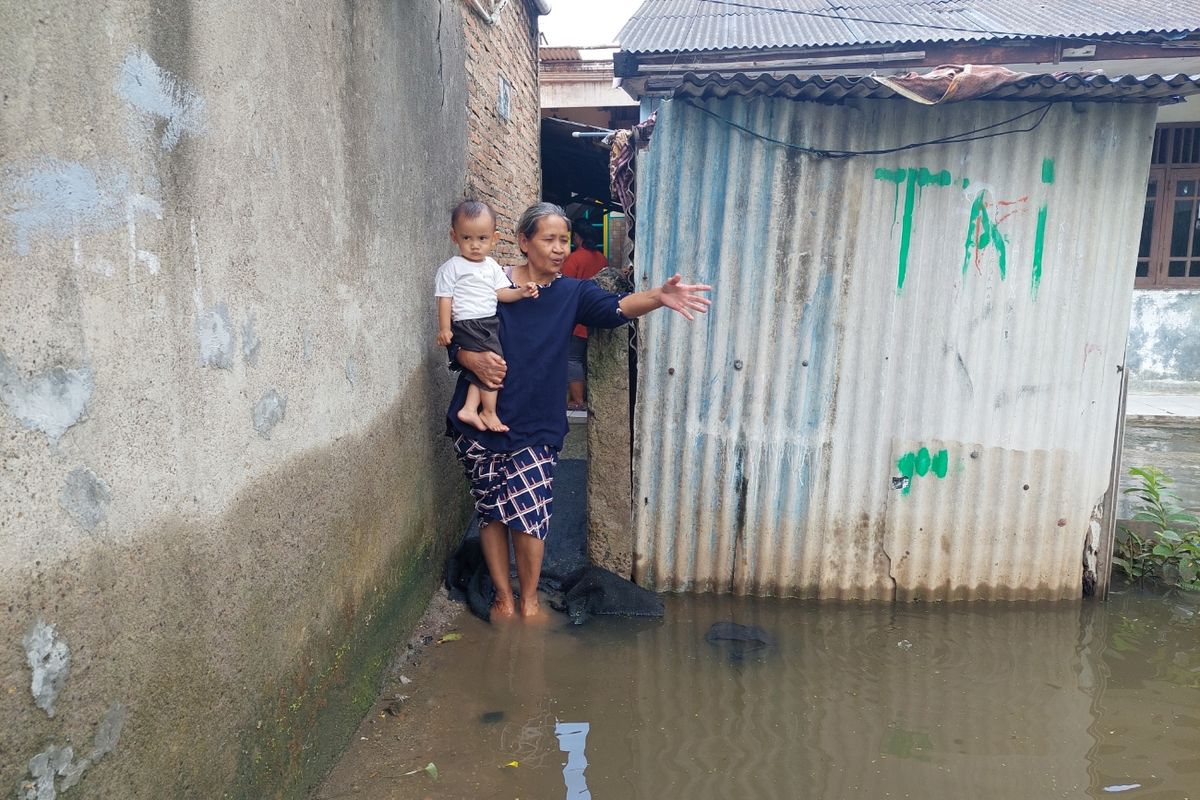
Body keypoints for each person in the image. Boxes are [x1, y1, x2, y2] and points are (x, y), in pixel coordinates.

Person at [447, 202, 711, 621]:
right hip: (480, 418)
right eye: (548, 239)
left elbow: (618, 308)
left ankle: (529, 599)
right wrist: (467, 356)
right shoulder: (489, 280)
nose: (558, 249)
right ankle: (502, 595)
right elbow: (459, 327)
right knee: (492, 512)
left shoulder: (573, 292)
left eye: (564, 240)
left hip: (537, 422)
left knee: (530, 515)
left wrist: (659, 297)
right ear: (523, 241)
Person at [435, 200, 539, 433]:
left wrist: (521, 292)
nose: (474, 245)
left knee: (484, 365)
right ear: (454, 237)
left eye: (482, 238)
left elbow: (501, 293)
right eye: (466, 238)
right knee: (494, 364)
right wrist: (444, 328)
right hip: (469, 323)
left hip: (488, 323)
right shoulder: (452, 267)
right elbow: (444, 299)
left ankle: (470, 408)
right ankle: (488, 412)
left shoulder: (491, 266)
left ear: (494, 238)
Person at [560, 224, 608, 411]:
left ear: (577, 237)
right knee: (590, 359)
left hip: (579, 319)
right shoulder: (602, 258)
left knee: (573, 358)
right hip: (598, 317)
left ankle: (578, 400)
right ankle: (586, 396)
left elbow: (564, 288)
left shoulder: (574, 259)